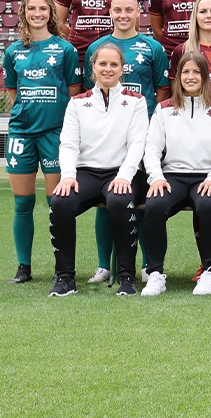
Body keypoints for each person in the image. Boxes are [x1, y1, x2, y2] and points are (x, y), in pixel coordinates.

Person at [47, 43, 148, 297]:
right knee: (59, 202)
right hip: (86, 173)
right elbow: (68, 143)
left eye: (114, 64)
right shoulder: (78, 103)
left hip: (123, 172)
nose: (108, 69)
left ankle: (127, 276)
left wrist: (125, 175)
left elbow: (138, 143)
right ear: (93, 67)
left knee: (119, 200)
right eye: (102, 63)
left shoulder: (136, 101)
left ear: (122, 68)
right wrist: (68, 175)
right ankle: (65, 277)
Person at [84, 0, 170, 284]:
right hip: (106, 134)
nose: (123, 15)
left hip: (142, 135)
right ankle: (103, 265)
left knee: (140, 199)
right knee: (106, 200)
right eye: (117, 10)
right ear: (110, 12)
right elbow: (90, 91)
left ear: (138, 13)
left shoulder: (153, 48)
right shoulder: (97, 48)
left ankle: (147, 264)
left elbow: (162, 92)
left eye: (128, 9)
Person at [3, 0, 81, 283]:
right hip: (21, 133)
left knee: (55, 203)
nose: (37, 13)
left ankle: (60, 266)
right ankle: (24, 267)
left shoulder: (65, 50)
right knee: (22, 203)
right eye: (31, 9)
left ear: (51, 13)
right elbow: (13, 91)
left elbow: (73, 92)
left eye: (43, 9)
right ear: (24, 13)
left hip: (55, 134)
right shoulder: (13, 52)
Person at [140, 51, 211, 296]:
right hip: (173, 177)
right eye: (185, 72)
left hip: (207, 177)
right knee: (154, 205)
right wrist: (156, 177)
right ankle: (155, 272)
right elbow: (151, 148)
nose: (190, 77)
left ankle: (209, 272)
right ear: (178, 76)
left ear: (205, 76)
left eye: (196, 72)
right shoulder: (164, 109)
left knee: (209, 205)